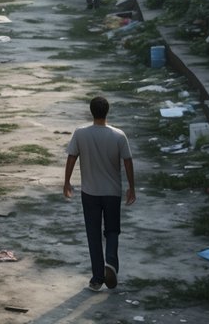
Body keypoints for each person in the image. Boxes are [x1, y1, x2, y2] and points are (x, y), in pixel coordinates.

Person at [63, 96, 135, 291]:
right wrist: (131, 187)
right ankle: (110, 262)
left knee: (93, 234)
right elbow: (128, 162)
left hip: (90, 192)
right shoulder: (119, 135)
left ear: (91, 111)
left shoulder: (81, 134)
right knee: (112, 230)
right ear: (107, 112)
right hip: (112, 192)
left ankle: (97, 278)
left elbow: (72, 157)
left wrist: (67, 181)